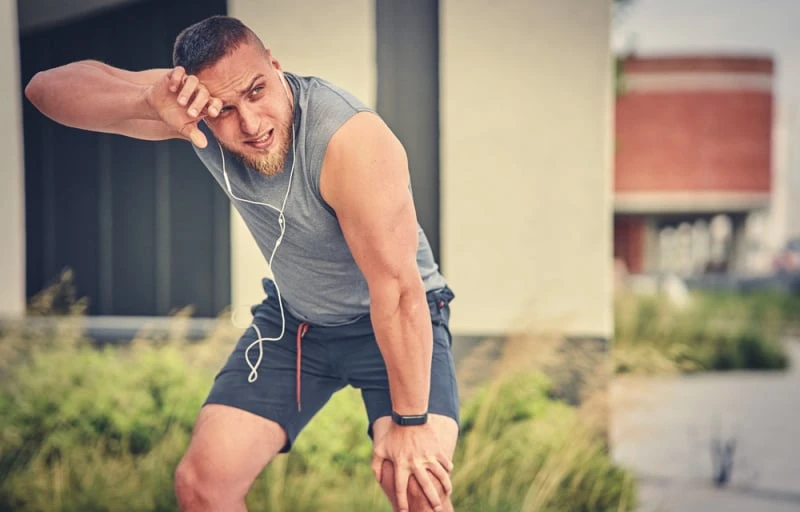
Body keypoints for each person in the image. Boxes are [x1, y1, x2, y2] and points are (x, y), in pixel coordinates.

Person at [24, 15, 459, 512]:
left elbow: (399, 291)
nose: (250, 125)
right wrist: (147, 102)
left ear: (275, 65)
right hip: (296, 325)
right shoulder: (187, 110)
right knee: (203, 484)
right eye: (223, 109)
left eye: (256, 91)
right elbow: (44, 90)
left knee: (413, 485)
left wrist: (409, 422)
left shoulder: (350, 140)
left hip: (395, 320)